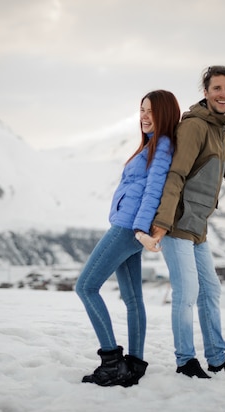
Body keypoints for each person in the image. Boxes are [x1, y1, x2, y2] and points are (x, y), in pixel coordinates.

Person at [151, 66, 225, 379]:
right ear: (205, 92)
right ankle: (185, 361)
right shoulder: (194, 126)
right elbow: (176, 174)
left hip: (198, 227)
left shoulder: (222, 130)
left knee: (210, 292)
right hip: (177, 223)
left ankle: (217, 359)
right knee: (187, 293)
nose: (223, 94)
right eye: (216, 88)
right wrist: (163, 221)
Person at [75, 89, 181, 387]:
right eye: (141, 110)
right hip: (131, 228)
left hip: (127, 229)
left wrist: (138, 229)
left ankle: (111, 363)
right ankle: (134, 363)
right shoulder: (150, 145)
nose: (144, 116)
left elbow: (153, 190)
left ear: (164, 114)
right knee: (133, 299)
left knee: (85, 286)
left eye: (150, 111)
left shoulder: (161, 146)